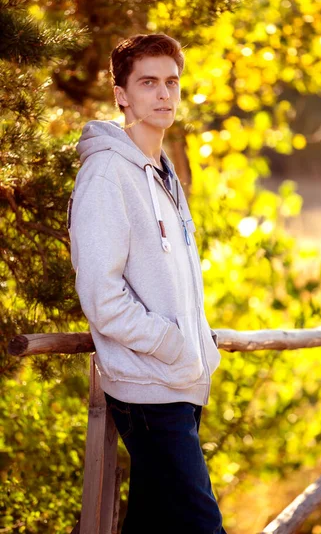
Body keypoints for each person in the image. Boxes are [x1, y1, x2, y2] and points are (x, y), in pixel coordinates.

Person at [67, 33, 227, 533]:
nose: (163, 94)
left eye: (172, 82)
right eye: (148, 82)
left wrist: (198, 346)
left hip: (178, 383)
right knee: (203, 524)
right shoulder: (106, 174)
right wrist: (172, 344)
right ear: (121, 94)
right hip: (147, 389)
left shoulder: (163, 173)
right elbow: (101, 295)